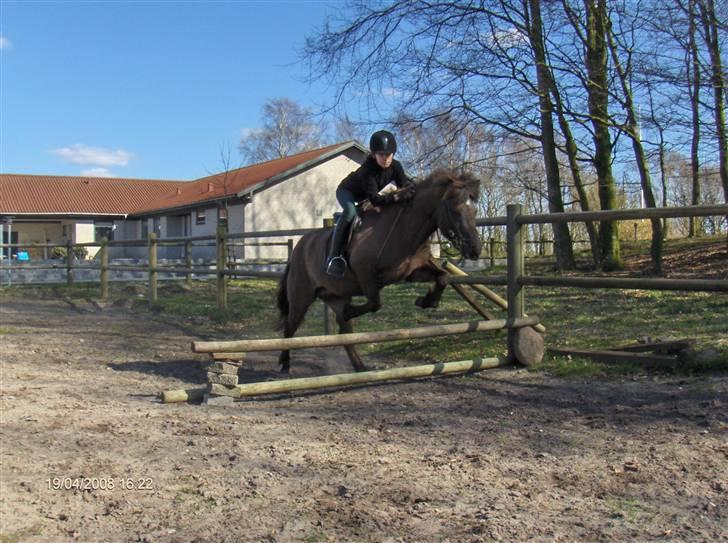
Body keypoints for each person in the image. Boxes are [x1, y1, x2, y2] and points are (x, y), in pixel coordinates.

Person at [326, 130, 415, 277]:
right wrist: (397, 197)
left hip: (366, 196)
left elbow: (404, 185)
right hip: (347, 192)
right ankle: (334, 256)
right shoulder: (368, 170)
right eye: (382, 155)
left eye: (389, 154)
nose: (386, 158)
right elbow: (375, 199)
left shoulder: (396, 166)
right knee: (350, 212)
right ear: (374, 155)